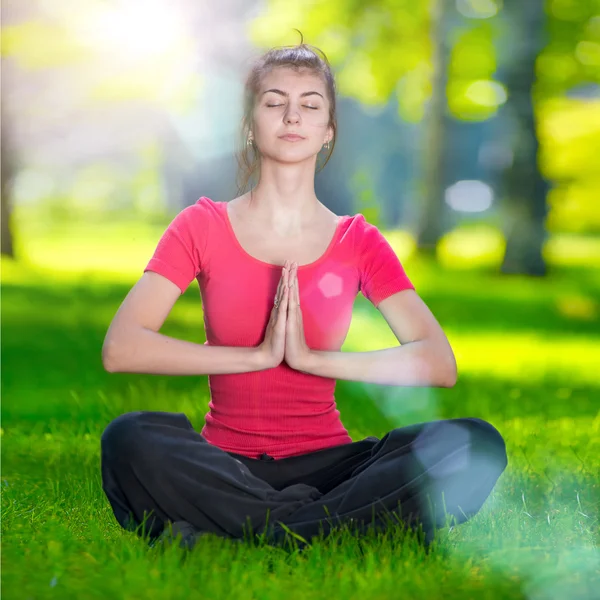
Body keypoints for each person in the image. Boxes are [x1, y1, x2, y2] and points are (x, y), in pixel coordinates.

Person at [100, 36, 508, 552]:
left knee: (474, 443)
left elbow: (437, 363)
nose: (292, 116)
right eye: (274, 103)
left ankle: (235, 530)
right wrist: (256, 357)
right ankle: (340, 528)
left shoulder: (357, 239)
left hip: (332, 467)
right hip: (227, 464)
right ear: (251, 125)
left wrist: (313, 360)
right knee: (129, 438)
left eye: (309, 106)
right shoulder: (200, 226)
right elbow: (122, 349)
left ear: (327, 130)